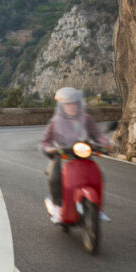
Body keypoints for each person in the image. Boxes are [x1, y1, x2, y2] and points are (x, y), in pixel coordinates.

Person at [39, 87, 110, 223]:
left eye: (74, 103)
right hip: (62, 156)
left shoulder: (86, 119)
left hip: (83, 155)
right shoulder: (56, 121)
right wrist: (50, 149)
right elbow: (45, 142)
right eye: (68, 104)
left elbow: (98, 135)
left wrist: (104, 143)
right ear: (62, 106)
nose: (71, 107)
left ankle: (97, 209)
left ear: (79, 104)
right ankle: (58, 206)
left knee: (98, 176)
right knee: (54, 177)